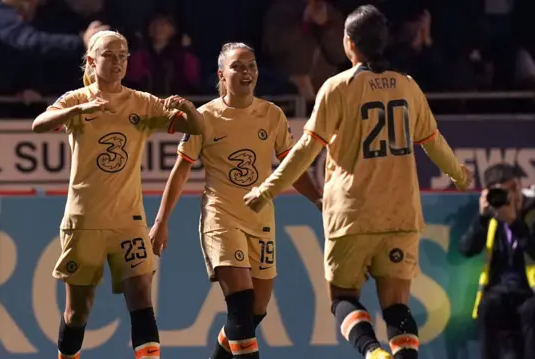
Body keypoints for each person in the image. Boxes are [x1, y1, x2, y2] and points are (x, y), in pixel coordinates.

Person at [243, 5, 472, 359]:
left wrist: (266, 189)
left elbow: (306, 150)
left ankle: (372, 353)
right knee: (397, 305)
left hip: (352, 215)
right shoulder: (407, 86)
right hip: (400, 217)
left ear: (349, 44)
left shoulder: (338, 88)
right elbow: (433, 142)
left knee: (343, 298)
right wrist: (459, 173)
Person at [31, 30, 204, 359]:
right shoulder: (76, 100)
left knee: (141, 294)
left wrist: (188, 108)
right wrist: (73, 114)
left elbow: (196, 129)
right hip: (85, 221)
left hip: (129, 220)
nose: (117, 62)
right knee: (78, 312)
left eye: (123, 55)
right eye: (109, 55)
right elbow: (39, 123)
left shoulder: (141, 102)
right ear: (92, 60)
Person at [149, 42, 322, 359]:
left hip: (261, 220)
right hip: (222, 216)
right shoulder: (204, 118)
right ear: (221, 74)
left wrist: (319, 201)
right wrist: (161, 221)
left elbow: (291, 167)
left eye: (251, 65)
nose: (246, 72)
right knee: (240, 303)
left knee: (254, 313)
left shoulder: (272, 115)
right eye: (238, 66)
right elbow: (181, 170)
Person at [460, 163, 535, 359]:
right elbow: (467, 249)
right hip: (502, 289)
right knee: (487, 307)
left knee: (532, 310)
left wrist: (515, 223)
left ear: (520, 186)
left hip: (530, 290)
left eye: (513, 189)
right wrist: (482, 218)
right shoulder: (492, 215)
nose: (511, 196)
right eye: (503, 192)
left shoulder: (533, 211)